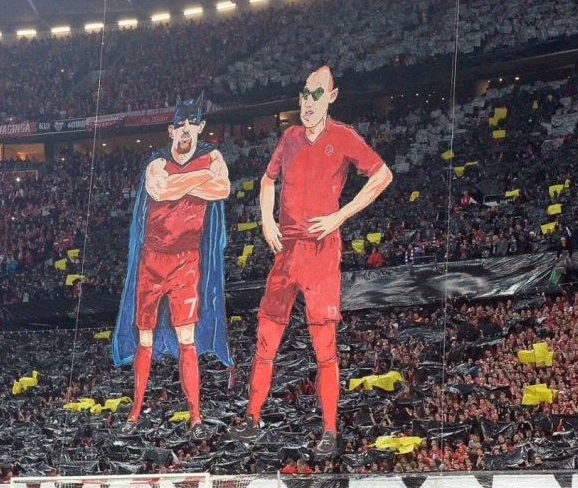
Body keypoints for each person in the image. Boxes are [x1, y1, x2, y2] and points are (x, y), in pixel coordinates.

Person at [231, 66, 392, 456]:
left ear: (331, 98)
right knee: (266, 336)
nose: (308, 101)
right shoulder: (289, 137)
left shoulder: (344, 136)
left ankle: (330, 432)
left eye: (317, 94)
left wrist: (341, 215)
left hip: (321, 251)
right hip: (287, 251)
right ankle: (252, 419)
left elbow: (382, 174)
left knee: (324, 344)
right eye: (305, 94)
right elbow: (268, 180)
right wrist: (266, 219)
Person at [114, 93, 232, 441]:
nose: (185, 131)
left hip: (186, 261)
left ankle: (195, 416)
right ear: (170, 130)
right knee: (144, 337)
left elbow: (222, 187)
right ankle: (135, 411)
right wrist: (199, 180)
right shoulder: (157, 162)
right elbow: (160, 191)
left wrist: (183, 183)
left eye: (191, 124)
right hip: (152, 260)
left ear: (200, 126)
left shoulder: (212, 156)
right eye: (179, 125)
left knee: (187, 336)